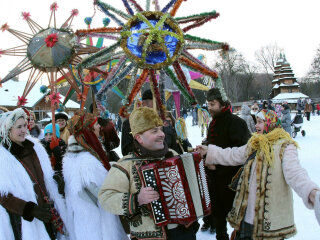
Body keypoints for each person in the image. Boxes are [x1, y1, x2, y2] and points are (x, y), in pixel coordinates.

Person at [196, 109, 320, 240]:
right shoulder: (255, 143)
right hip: (247, 217)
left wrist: (311, 192)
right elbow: (232, 154)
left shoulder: (285, 146)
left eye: (260, 122)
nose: (256, 125)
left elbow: (295, 173)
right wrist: (209, 150)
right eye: (257, 122)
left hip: (269, 222)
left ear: (270, 123)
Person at [98, 107, 199, 240]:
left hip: (184, 232)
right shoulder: (125, 165)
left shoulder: (173, 155)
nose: (162, 134)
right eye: (154, 131)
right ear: (139, 138)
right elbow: (105, 198)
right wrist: (136, 199)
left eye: (161, 129)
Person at [0, 108, 68, 240]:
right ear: (8, 129)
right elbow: (3, 196)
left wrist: (56, 179)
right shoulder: (3, 157)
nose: (24, 130)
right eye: (19, 127)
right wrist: (29, 209)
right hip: (23, 220)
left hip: (46, 211)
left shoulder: (34, 147)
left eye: (25, 125)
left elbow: (44, 177)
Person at [62, 110, 128, 240]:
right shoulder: (85, 161)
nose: (99, 127)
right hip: (97, 224)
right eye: (96, 124)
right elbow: (99, 194)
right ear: (88, 130)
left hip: (87, 221)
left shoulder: (78, 156)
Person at [200, 88, 251, 240]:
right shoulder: (213, 123)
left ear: (222, 104)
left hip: (232, 183)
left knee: (238, 219)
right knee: (218, 217)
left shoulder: (237, 123)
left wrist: (217, 164)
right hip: (214, 181)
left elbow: (243, 154)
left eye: (212, 104)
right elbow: (213, 143)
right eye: (208, 104)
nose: (209, 107)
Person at [121, 89, 153, 156]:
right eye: (154, 104)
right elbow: (125, 150)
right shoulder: (129, 123)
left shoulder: (162, 122)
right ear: (144, 103)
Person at [41, 123, 67, 195]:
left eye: (51, 134)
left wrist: (57, 150)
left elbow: (63, 162)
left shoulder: (62, 146)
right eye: (46, 134)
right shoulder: (42, 147)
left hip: (60, 176)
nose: (49, 137)